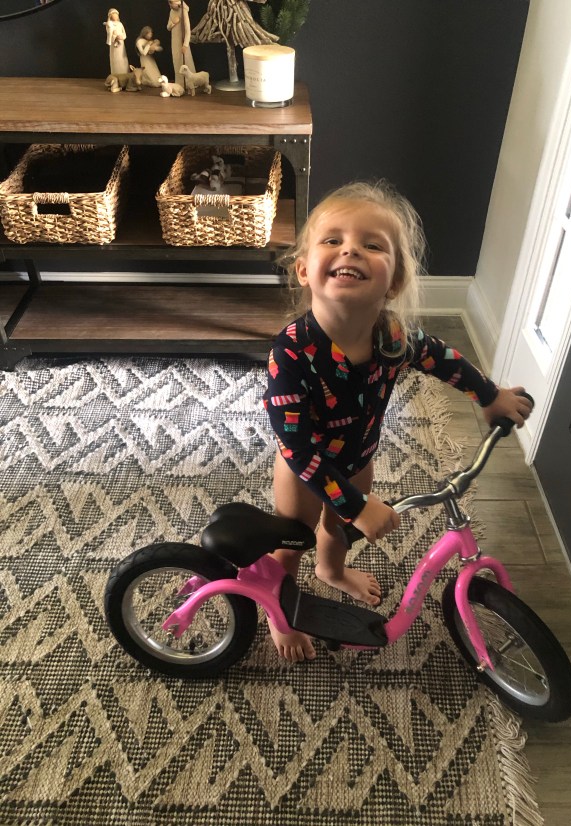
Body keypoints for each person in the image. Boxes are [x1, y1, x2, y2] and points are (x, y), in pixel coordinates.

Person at [263, 180, 533, 663]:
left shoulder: (393, 335)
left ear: (394, 283)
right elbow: (297, 448)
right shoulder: (290, 352)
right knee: (292, 540)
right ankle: (279, 614)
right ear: (304, 269)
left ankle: (331, 571)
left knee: (337, 529)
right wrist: (357, 505)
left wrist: (491, 397)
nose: (351, 249)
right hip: (305, 471)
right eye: (333, 240)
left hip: (359, 456)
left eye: (372, 245)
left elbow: (443, 359)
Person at [167, 0, 196, 87]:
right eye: (169, 4)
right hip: (174, 41)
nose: (170, 6)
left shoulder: (183, 12)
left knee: (186, 61)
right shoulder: (172, 11)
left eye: (171, 4)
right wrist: (173, 23)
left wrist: (185, 45)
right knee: (177, 61)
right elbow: (168, 27)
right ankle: (180, 83)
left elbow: (187, 30)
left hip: (182, 42)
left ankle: (190, 83)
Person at [104, 8, 129, 76]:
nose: (115, 16)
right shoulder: (110, 24)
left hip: (121, 44)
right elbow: (109, 32)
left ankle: (124, 73)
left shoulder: (120, 24)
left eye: (116, 15)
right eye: (113, 15)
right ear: (110, 16)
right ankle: (116, 74)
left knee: (122, 58)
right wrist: (114, 37)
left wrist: (122, 37)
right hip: (114, 43)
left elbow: (124, 34)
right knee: (115, 58)